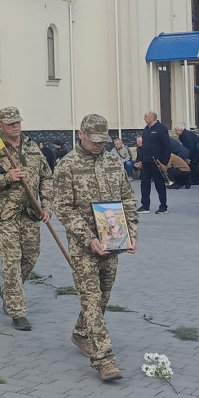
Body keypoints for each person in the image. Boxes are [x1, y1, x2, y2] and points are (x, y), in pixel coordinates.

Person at [53, 113, 137, 383]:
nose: (99, 145)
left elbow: (127, 198)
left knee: (102, 296)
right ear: (81, 134)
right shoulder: (67, 165)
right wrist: (89, 237)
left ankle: (81, 334)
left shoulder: (113, 161)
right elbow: (63, 207)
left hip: (113, 241)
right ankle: (104, 360)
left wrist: (130, 233)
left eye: (103, 140)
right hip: (83, 245)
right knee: (90, 298)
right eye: (94, 140)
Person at [0, 106, 54, 332]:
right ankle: (18, 312)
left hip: (31, 214)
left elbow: (47, 177)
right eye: (10, 124)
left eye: (17, 122)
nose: (15, 126)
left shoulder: (32, 147)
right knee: (12, 262)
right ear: (1, 126)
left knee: (30, 258)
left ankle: (8, 289)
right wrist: (6, 178)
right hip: (6, 215)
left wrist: (47, 205)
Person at [135, 111, 170, 213]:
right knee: (144, 183)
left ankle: (163, 206)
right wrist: (140, 160)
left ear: (152, 118)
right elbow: (143, 146)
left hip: (157, 162)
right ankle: (145, 205)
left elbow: (167, 146)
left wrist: (165, 163)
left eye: (146, 117)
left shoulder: (161, 129)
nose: (144, 118)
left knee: (159, 184)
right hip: (147, 161)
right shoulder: (146, 129)